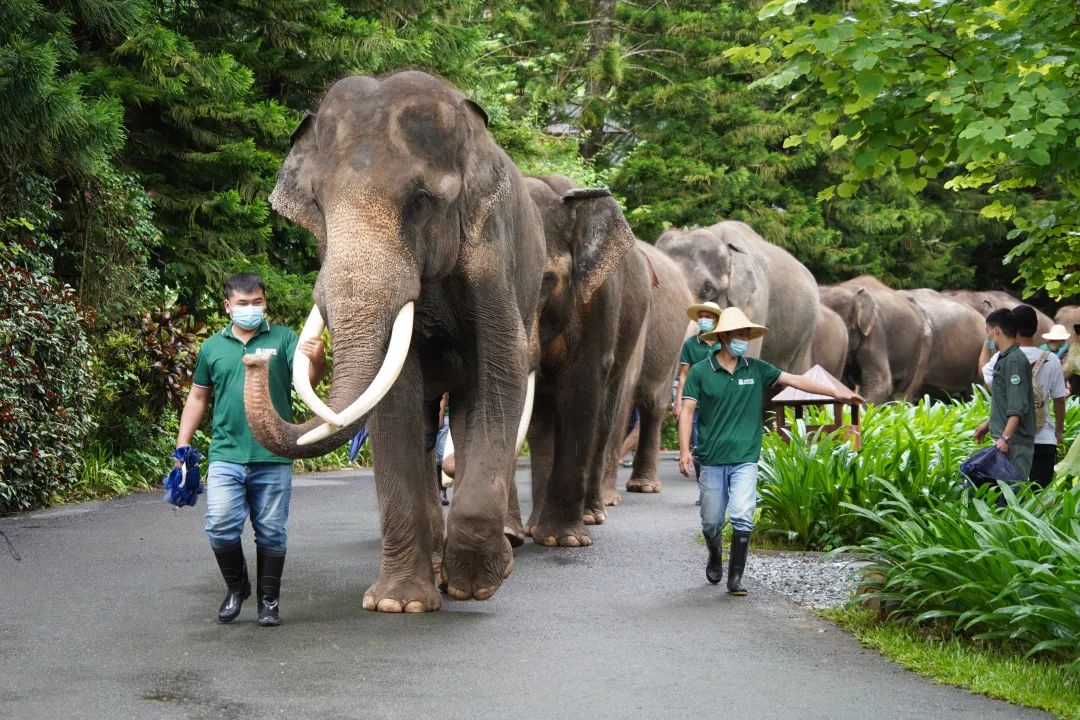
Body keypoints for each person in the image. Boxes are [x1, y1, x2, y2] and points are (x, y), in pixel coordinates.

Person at [678, 307, 863, 596]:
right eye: (740, 334)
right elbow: (687, 412)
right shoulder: (701, 372)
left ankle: (735, 579)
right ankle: (715, 553)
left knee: (743, 514)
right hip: (712, 459)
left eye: (747, 335)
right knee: (712, 520)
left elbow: (796, 379)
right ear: (725, 337)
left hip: (745, 459)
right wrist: (684, 451)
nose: (745, 340)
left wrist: (837, 394)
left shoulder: (757, 369)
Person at [175, 273, 325, 626]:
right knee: (219, 526)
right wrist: (183, 442)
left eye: (257, 301)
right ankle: (237, 588)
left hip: (273, 453)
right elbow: (198, 396)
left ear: (265, 302)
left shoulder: (285, 339)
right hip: (226, 453)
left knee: (271, 530)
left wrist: (317, 359)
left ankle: (269, 602)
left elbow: (308, 381)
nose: (251, 309)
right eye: (242, 304)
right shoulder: (213, 347)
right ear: (228, 307)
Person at [981, 306, 1066, 487]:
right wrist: (1058, 430)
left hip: (1011, 441)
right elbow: (1059, 400)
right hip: (1044, 440)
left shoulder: (1002, 359)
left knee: (1011, 498)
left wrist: (986, 343)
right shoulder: (1052, 359)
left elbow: (992, 385)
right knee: (1039, 500)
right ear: (1036, 328)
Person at [973, 308, 1035, 483]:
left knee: (1013, 495)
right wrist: (988, 424)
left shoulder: (1014, 361)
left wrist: (1005, 438)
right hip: (1006, 440)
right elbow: (1005, 402)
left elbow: (1017, 406)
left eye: (988, 333)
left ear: (996, 331)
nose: (988, 338)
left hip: (1014, 444)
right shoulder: (1005, 358)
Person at [674, 301, 723, 502]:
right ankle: (705, 491)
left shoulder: (724, 344)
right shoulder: (690, 345)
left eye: (709, 316)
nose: (705, 320)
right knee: (697, 448)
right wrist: (678, 402)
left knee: (717, 444)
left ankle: (720, 489)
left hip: (718, 404)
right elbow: (683, 376)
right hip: (694, 403)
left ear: (716, 320)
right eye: (701, 316)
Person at [434, 393, 450, 506]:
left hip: (443, 418)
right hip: (424, 414)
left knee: (441, 456)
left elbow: (444, 393)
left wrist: (441, 413)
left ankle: (442, 491)